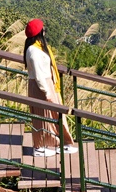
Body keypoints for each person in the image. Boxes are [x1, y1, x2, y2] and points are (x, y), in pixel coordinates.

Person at [23, 17, 77, 157]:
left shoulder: (37, 47)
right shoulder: (34, 51)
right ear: (39, 32)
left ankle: (60, 143)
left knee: (52, 115)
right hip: (42, 86)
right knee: (44, 116)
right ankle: (42, 146)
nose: (45, 31)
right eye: (43, 29)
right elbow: (39, 74)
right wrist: (47, 92)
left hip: (47, 84)